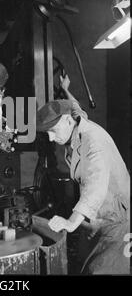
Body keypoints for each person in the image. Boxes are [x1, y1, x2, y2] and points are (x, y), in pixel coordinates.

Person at [36, 75, 130, 275]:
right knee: (84, 267)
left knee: (103, 271)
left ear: (68, 121)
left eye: (53, 131)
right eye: (47, 134)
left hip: (114, 220)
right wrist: (65, 88)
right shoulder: (77, 120)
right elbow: (75, 106)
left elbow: (94, 189)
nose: (51, 138)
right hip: (93, 219)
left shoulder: (93, 143)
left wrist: (70, 222)